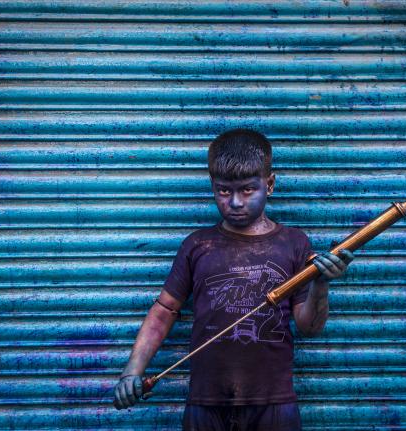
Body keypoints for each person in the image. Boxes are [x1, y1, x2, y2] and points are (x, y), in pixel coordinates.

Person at [114, 128, 354, 430]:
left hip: (274, 404)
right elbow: (164, 311)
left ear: (270, 184)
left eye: (247, 190)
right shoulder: (197, 245)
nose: (236, 202)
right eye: (224, 191)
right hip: (206, 404)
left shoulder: (294, 243)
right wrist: (132, 371)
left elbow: (309, 327)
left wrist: (322, 283)